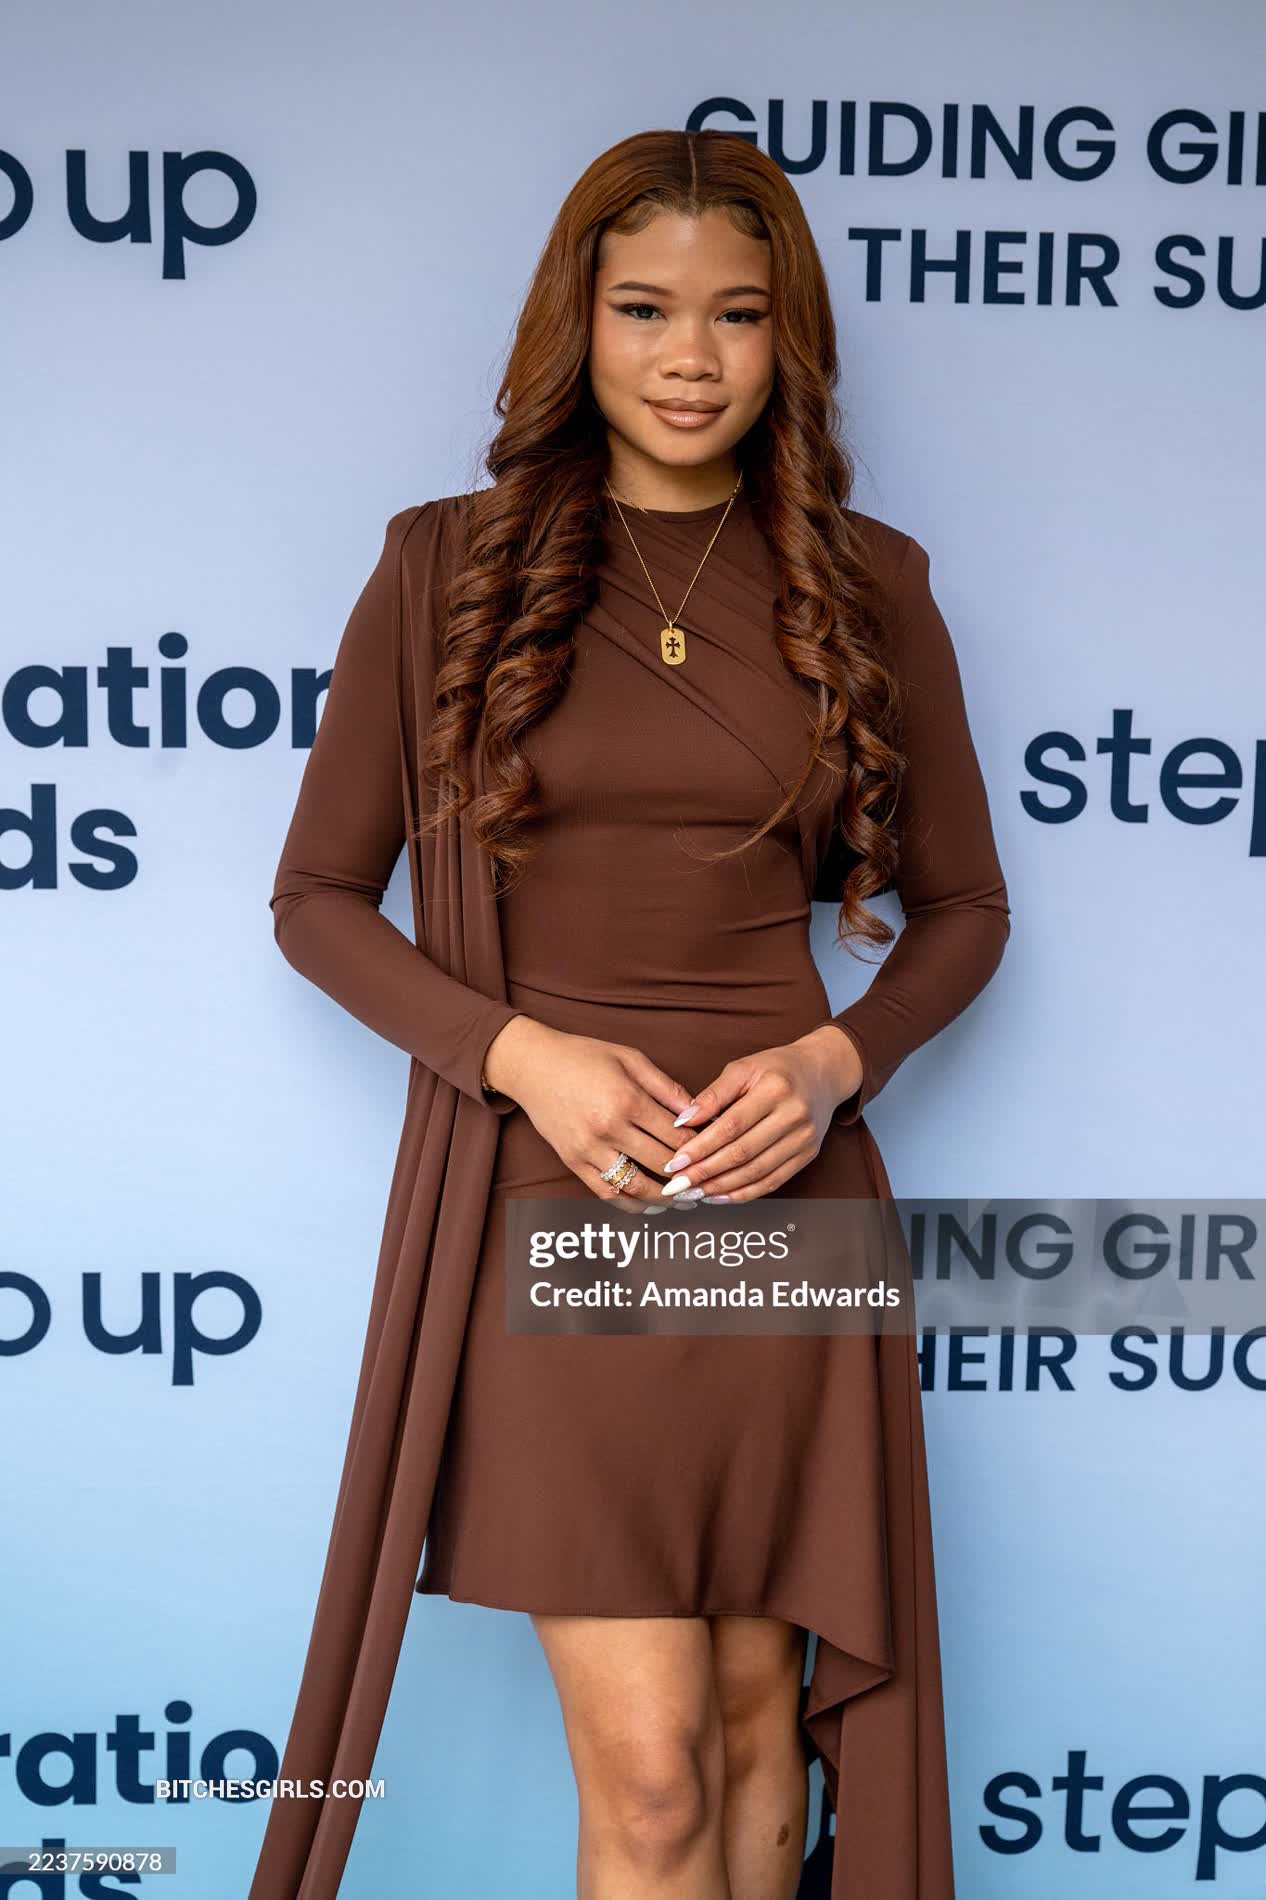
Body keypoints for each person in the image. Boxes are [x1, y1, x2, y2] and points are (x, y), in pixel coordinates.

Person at [249, 128, 1010, 1900]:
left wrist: (832, 1064)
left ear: (786, 339)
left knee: (757, 1744)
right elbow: (315, 900)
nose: (690, 356)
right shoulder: (445, 565)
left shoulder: (872, 581)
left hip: (786, 1212)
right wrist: (516, 1056)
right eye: (645, 308)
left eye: (736, 314)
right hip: (556, 1208)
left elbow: (965, 913)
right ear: (574, 324)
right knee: (658, 1782)